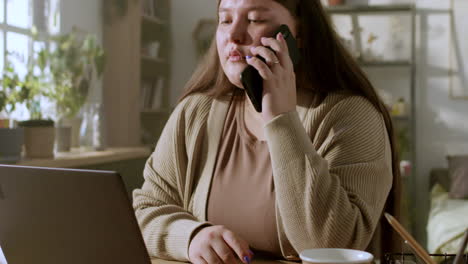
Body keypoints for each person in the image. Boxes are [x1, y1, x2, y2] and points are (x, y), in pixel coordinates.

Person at [133, 0, 401, 263]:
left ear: (299, 34)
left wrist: (281, 118)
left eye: (255, 20)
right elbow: (144, 211)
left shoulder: (351, 116)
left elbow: (329, 247)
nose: (233, 35)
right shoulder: (195, 113)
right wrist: (191, 237)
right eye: (225, 19)